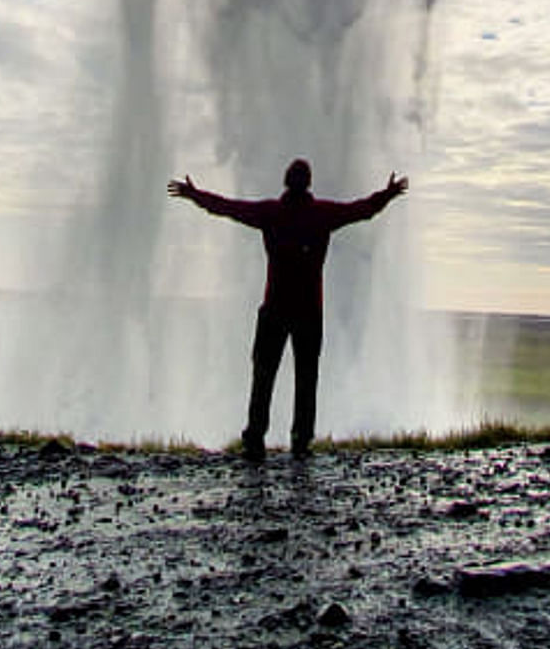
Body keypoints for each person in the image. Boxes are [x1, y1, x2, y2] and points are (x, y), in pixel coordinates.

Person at [168, 158, 407, 460]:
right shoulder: (321, 214)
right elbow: (361, 210)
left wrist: (195, 195)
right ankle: (300, 441)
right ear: (308, 182)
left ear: (286, 180)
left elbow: (228, 207)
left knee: (264, 375)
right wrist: (387, 194)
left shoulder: (272, 212)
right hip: (308, 310)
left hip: (276, 309)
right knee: (305, 377)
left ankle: (256, 438)